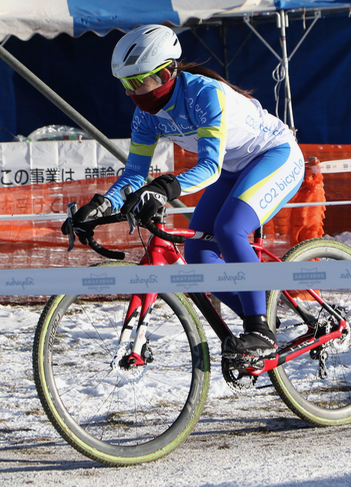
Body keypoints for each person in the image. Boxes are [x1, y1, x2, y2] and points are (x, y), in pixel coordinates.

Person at [63, 24, 305, 360]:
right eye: (125, 84)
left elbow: (209, 168)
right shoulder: (145, 116)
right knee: (197, 255)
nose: (131, 92)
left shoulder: (205, 93)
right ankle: (261, 310)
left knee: (230, 229)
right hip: (233, 169)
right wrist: (101, 206)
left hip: (274, 155)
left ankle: (259, 329)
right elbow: (134, 173)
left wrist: (162, 188)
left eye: (137, 81)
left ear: (165, 73)